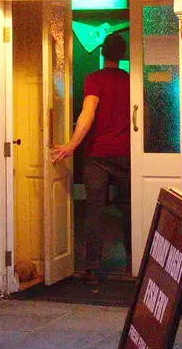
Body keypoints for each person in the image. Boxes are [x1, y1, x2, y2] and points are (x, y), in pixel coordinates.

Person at [51, 31, 131, 284]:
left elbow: (88, 113)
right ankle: (133, 264)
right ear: (123, 54)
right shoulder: (131, 80)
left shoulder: (94, 79)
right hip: (128, 155)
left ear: (101, 52)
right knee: (130, 210)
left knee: (94, 211)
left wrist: (72, 145)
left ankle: (93, 269)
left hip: (97, 155)